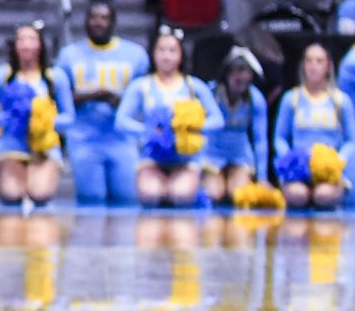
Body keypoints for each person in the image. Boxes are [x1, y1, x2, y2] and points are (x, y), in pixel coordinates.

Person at [116, 29, 224, 207]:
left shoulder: (194, 86)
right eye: (161, 50)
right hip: (151, 160)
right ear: (153, 53)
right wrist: (147, 131)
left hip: (186, 160)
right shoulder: (141, 86)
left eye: (172, 50)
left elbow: (218, 120)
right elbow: (121, 120)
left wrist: (194, 127)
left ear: (181, 55)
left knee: (181, 195)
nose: (166, 56)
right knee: (151, 195)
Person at [56, 2, 150, 205]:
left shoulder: (136, 55)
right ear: (85, 21)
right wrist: (91, 96)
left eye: (104, 18)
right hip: (84, 140)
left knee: (127, 199)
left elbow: (146, 98)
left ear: (113, 22)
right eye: (93, 17)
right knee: (92, 199)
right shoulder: (68, 55)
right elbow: (58, 99)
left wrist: (121, 102)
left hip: (123, 140)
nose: (98, 22)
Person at [0, 24, 74, 205]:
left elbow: (69, 117)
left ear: (40, 45)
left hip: (45, 148)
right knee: (12, 194)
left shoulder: (55, 76)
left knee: (40, 193)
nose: (26, 45)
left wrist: (43, 120)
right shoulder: (2, 75)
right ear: (14, 46)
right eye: (21, 40)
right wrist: (9, 119)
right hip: (10, 146)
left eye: (31, 39)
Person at [273, 43, 355, 208]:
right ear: (303, 65)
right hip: (298, 171)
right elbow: (279, 138)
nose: (313, 66)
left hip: (329, 171)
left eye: (319, 61)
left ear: (328, 66)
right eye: (309, 60)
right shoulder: (291, 98)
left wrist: (338, 161)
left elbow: (351, 140)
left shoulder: (341, 101)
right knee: (298, 196)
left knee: (323, 196)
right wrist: (291, 159)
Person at [203, 47, 269, 204]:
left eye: (246, 72)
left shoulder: (255, 99)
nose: (241, 77)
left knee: (239, 194)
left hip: (240, 157)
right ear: (226, 73)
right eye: (236, 72)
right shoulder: (210, 93)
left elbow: (260, 140)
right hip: (211, 155)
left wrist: (262, 178)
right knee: (214, 194)